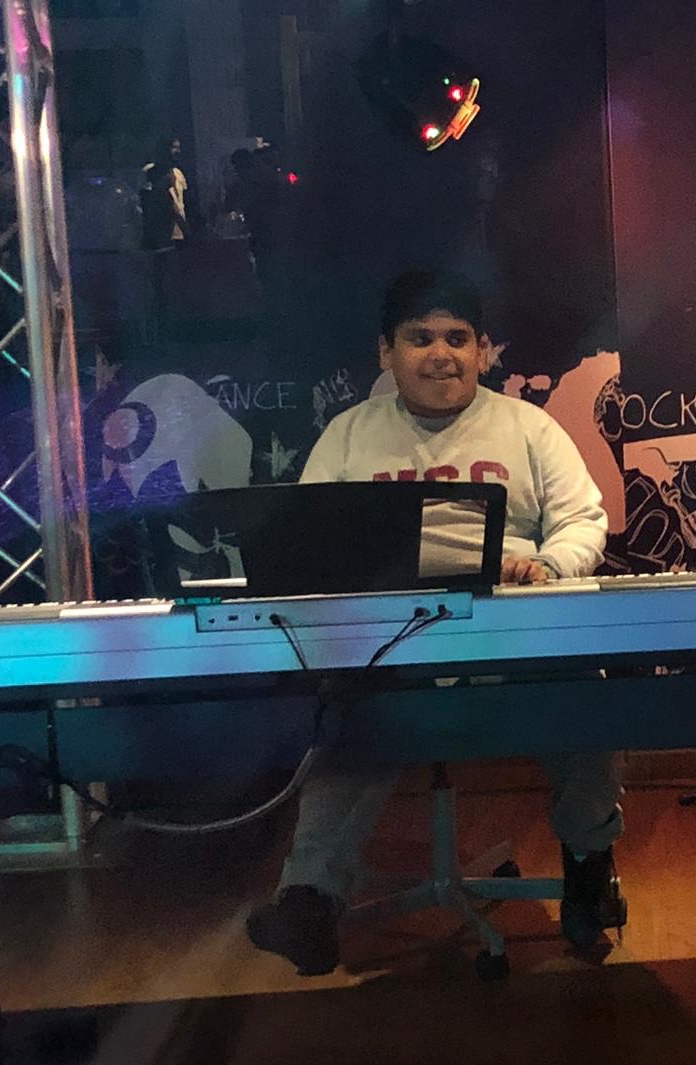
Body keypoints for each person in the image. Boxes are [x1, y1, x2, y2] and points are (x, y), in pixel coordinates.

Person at [246, 269, 628, 974]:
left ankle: (587, 864)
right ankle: (310, 901)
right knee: (343, 710)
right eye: (420, 338)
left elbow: (583, 520)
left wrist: (548, 565)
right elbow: (306, 541)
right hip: (390, 643)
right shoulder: (349, 435)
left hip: (511, 630)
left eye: (457, 338)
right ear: (385, 352)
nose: (441, 354)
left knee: (586, 695)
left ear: (484, 351)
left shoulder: (530, 428)